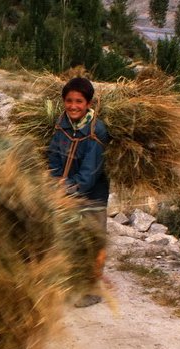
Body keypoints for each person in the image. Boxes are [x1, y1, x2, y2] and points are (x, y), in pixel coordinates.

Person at [48, 77, 110, 307]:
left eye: (79, 101)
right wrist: (53, 181)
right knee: (68, 240)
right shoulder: (61, 124)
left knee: (93, 244)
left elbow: (89, 174)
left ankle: (92, 290)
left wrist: (63, 187)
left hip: (92, 196)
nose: (73, 106)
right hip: (65, 193)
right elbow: (53, 157)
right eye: (69, 101)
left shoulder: (97, 131)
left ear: (88, 103)